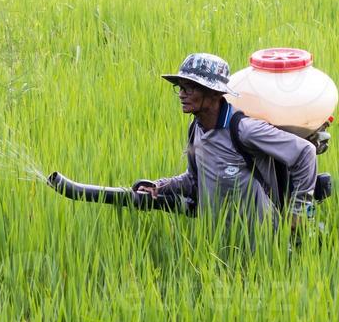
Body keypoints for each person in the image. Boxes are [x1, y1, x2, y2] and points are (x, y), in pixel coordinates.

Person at [134, 52, 319, 240]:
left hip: (264, 244)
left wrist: (299, 212)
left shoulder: (244, 130)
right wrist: (159, 186)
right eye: (180, 88)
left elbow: (305, 153)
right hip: (221, 243)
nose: (181, 94)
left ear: (215, 92)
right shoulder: (196, 128)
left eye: (189, 88)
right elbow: (194, 180)